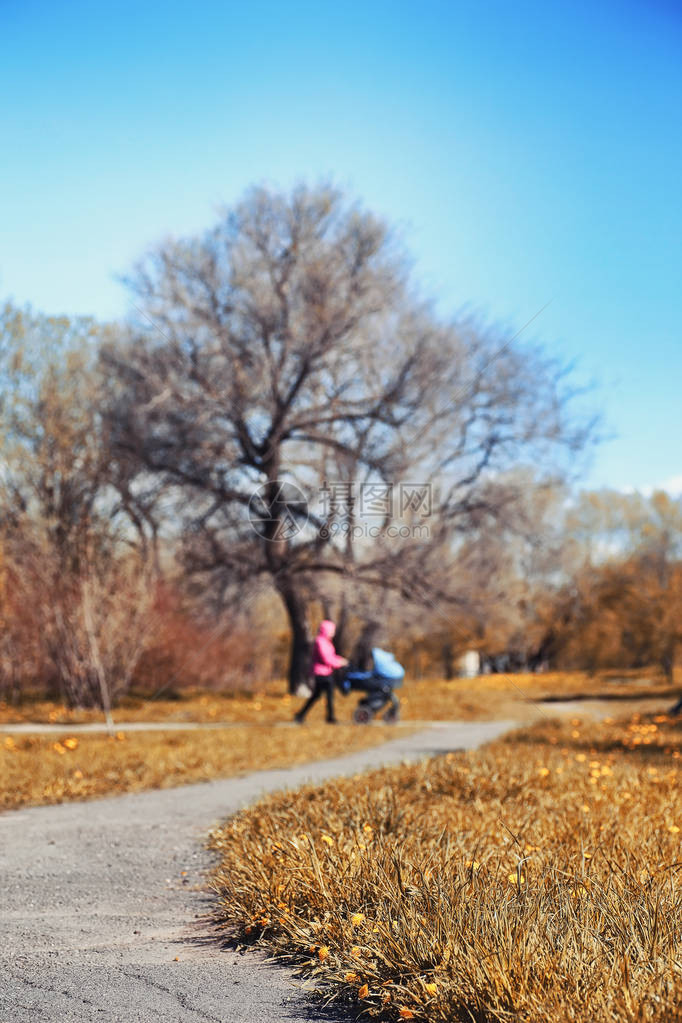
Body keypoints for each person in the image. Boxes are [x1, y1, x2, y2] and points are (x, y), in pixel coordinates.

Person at [294, 620, 348, 724]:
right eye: (332, 631)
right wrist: (339, 663)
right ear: (327, 630)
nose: (334, 633)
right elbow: (326, 658)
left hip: (327, 672)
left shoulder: (327, 642)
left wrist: (341, 660)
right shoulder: (320, 642)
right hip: (321, 673)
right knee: (327, 695)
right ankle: (330, 717)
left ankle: (301, 715)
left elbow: (331, 656)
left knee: (318, 696)